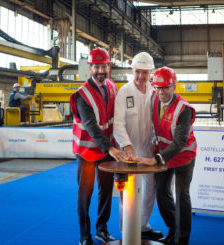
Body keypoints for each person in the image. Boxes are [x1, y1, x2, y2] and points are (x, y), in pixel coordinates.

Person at [70, 47, 127, 245]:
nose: (101, 70)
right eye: (97, 66)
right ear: (90, 68)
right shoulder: (81, 95)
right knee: (85, 193)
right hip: (87, 151)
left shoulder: (112, 86)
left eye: (104, 66)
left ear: (108, 66)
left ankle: (102, 229)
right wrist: (110, 148)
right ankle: (84, 236)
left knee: (106, 191)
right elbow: (92, 126)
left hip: (107, 150)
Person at [134, 66, 197, 245]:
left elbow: (179, 142)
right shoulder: (154, 99)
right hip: (164, 155)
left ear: (174, 87)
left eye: (165, 88)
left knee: (182, 194)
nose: (161, 92)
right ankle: (173, 229)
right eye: (158, 87)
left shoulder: (184, 109)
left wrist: (155, 160)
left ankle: (182, 239)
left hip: (184, 157)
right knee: (162, 193)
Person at [113, 52, 163, 240]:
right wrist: (126, 145)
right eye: (138, 72)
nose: (141, 76)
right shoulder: (124, 92)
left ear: (151, 72)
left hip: (148, 149)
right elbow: (118, 123)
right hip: (130, 151)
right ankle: (126, 228)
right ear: (132, 70)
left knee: (150, 189)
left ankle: (143, 225)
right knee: (127, 191)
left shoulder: (154, 91)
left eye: (145, 72)